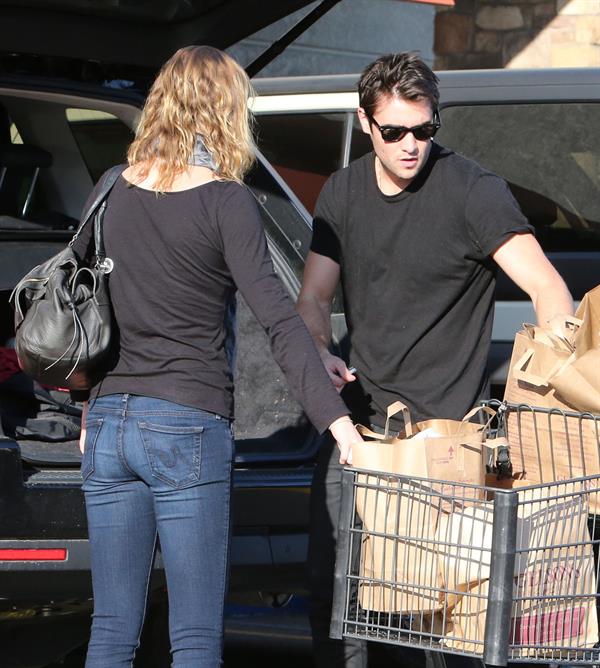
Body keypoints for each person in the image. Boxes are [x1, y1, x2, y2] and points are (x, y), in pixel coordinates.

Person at [72, 45, 362, 668]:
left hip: (109, 427)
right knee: (196, 637)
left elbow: (90, 309)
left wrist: (87, 408)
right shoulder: (225, 201)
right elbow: (278, 320)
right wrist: (340, 425)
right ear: (225, 111)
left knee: (112, 630)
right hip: (185, 426)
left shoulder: (109, 190)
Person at [296, 52, 574, 668]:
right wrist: (317, 348)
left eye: (424, 130)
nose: (410, 145)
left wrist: (556, 388)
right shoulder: (342, 192)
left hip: (446, 440)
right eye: (393, 131)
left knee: (434, 622)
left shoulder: (473, 192)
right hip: (363, 432)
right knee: (338, 601)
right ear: (366, 123)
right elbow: (312, 297)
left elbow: (549, 289)